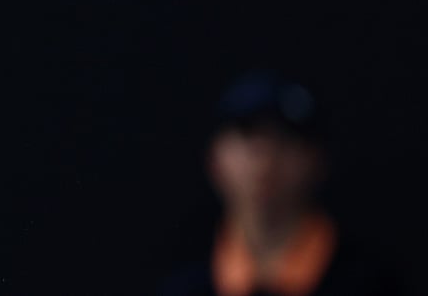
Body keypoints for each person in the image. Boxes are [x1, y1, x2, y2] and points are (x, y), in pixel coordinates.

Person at [159, 70, 408, 296]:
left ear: (317, 159)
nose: (265, 160)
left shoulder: (369, 284)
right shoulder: (183, 283)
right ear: (215, 158)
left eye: (285, 139)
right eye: (247, 137)